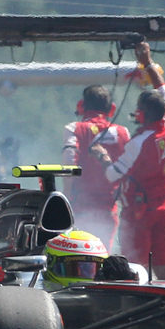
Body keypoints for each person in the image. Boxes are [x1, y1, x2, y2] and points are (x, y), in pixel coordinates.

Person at [92, 41, 165, 280]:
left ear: (143, 113)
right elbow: (164, 92)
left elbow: (112, 174)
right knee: (162, 263)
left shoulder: (138, 143)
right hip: (164, 207)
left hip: (139, 212)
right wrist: (147, 63)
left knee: (135, 264)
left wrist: (102, 156)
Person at [61, 85, 131, 251]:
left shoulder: (74, 128)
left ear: (81, 105)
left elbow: (69, 163)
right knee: (103, 253)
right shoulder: (123, 132)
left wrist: (67, 199)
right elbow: (129, 171)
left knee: (79, 255)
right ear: (111, 108)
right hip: (110, 208)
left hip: (80, 206)